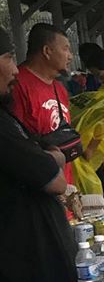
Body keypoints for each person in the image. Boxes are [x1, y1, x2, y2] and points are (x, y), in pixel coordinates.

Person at [0, 27, 76, 282]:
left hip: (32, 262)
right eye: (8, 57)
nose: (14, 68)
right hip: (20, 265)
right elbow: (49, 176)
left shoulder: (9, 116)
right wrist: (49, 158)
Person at [10, 23, 74, 184]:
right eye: (65, 49)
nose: (70, 56)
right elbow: (15, 145)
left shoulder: (59, 88)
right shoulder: (17, 86)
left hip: (65, 188)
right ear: (47, 51)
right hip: (37, 190)